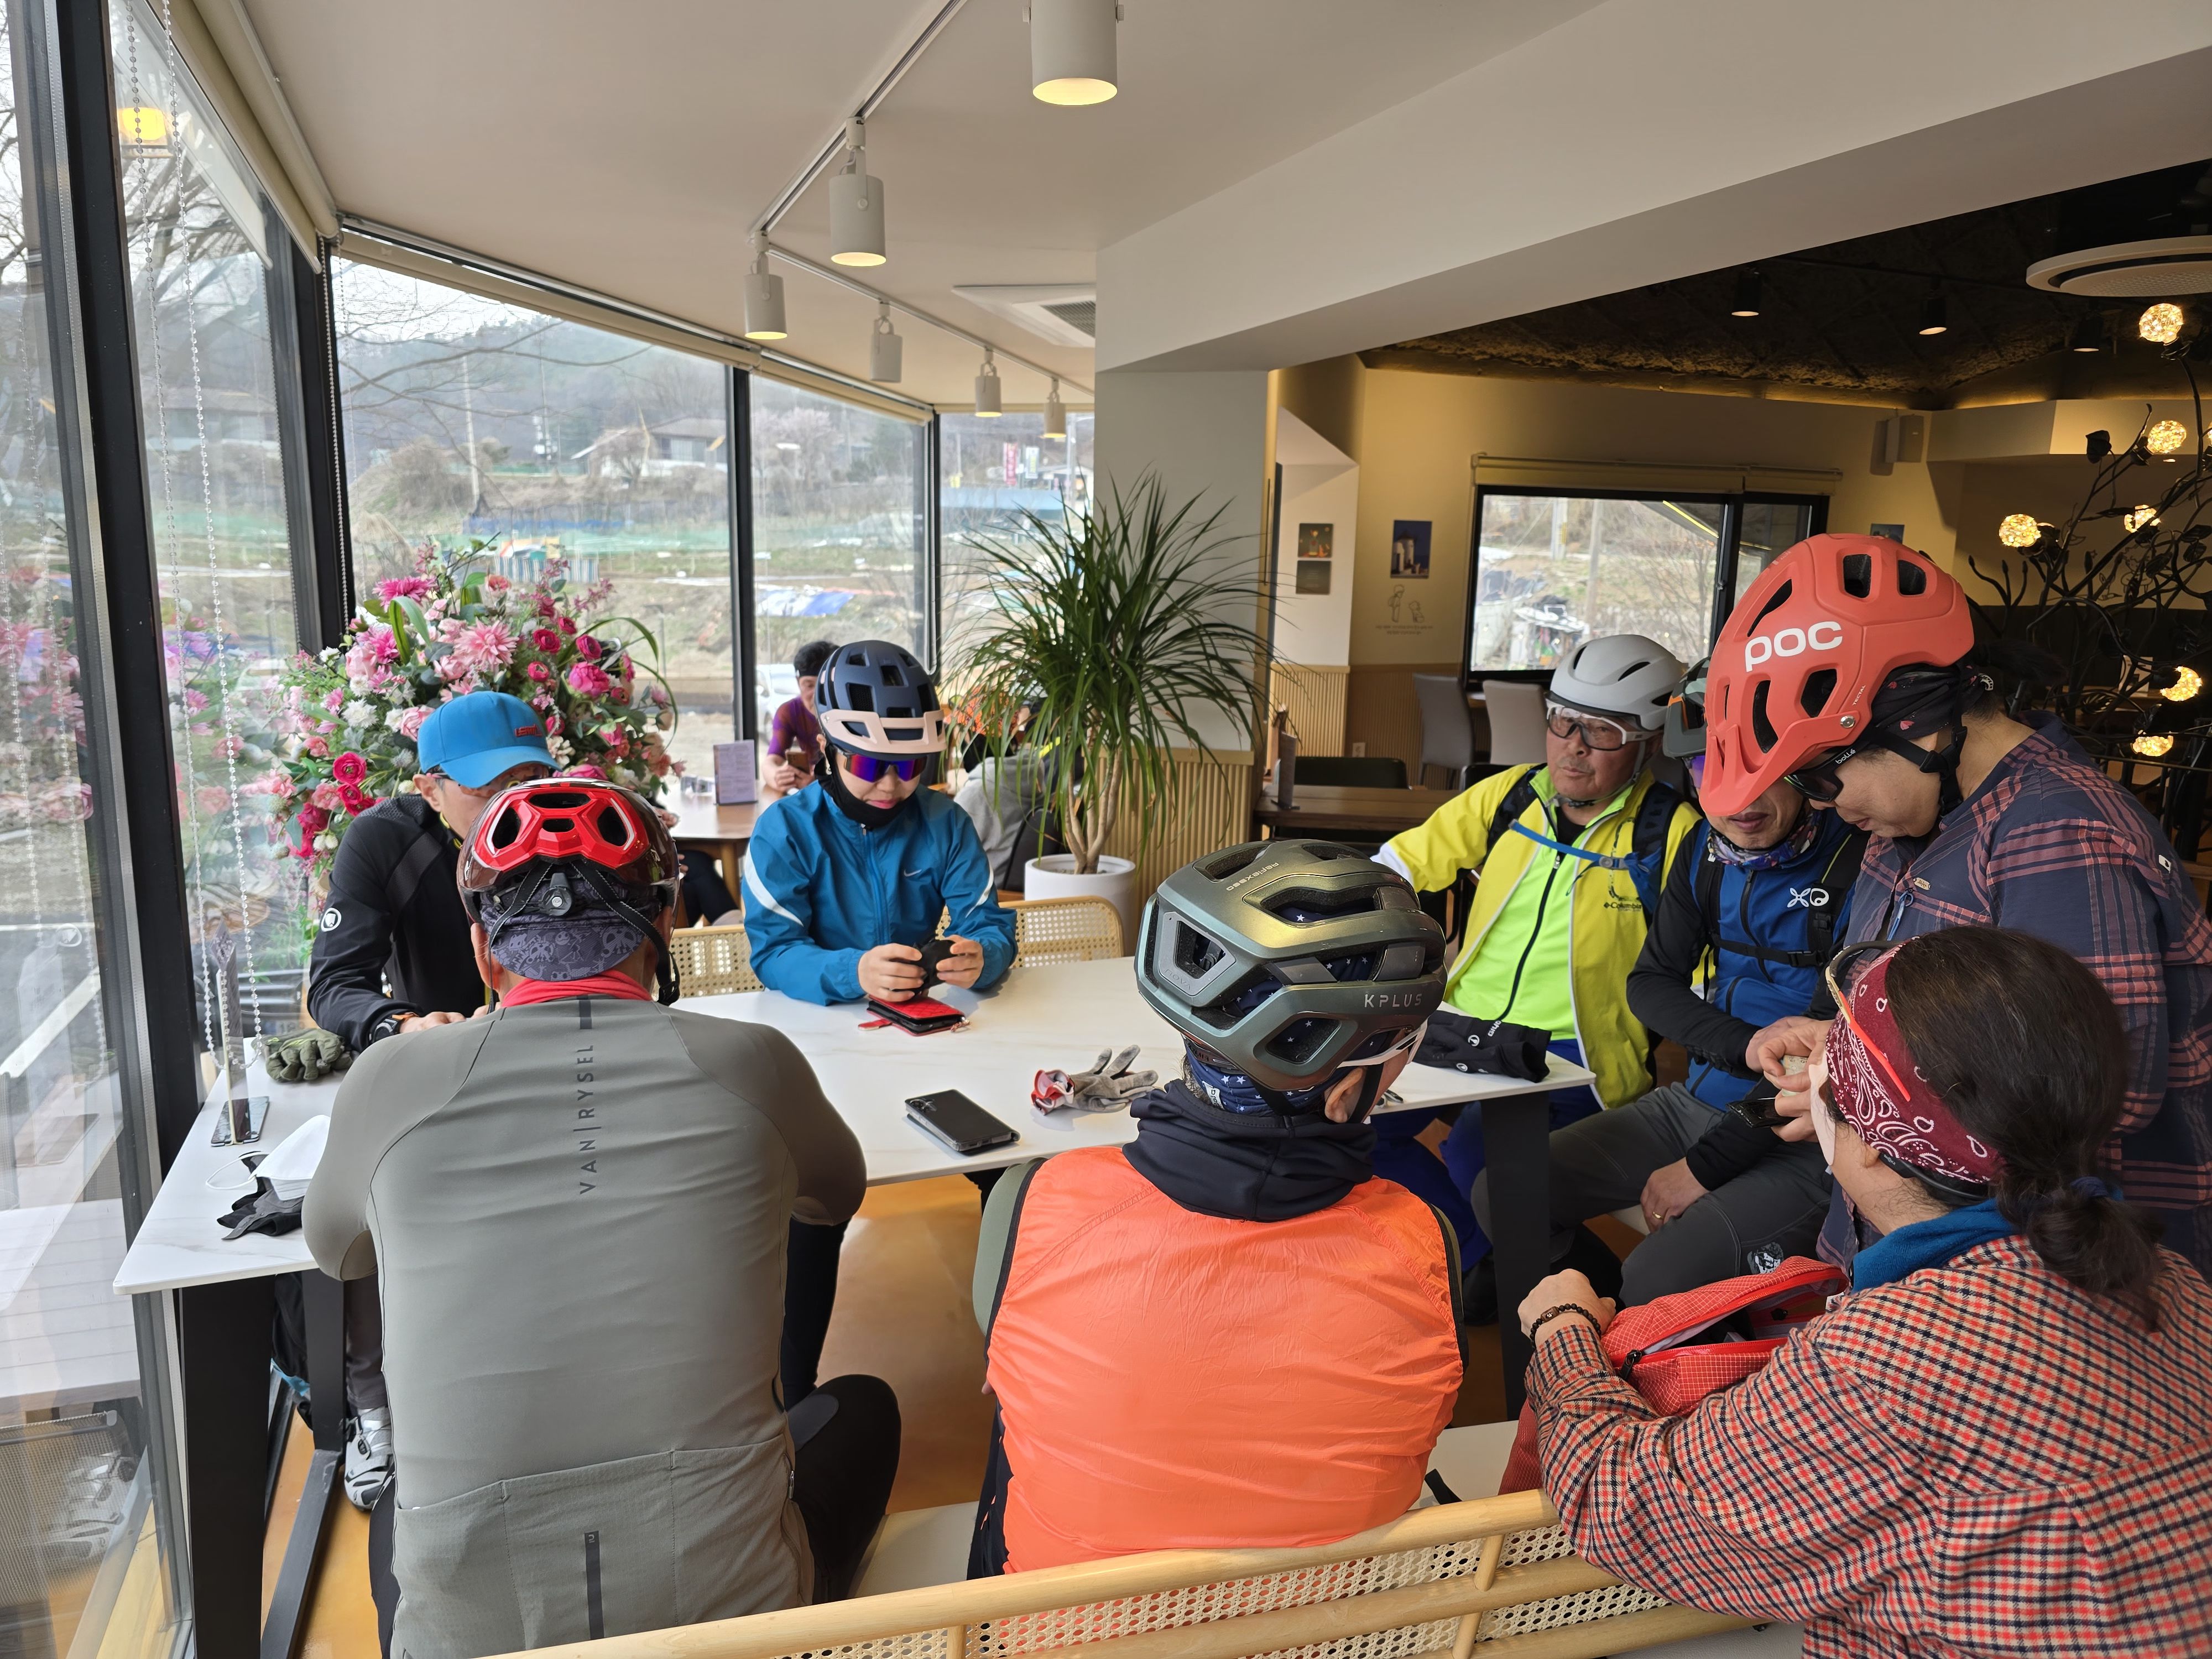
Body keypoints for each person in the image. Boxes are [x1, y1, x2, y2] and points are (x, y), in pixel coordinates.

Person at [305, 779, 898, 1658]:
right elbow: (834, 1196)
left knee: (399, 1502)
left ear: (483, 948)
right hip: (739, 1633)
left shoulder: (389, 1080)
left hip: (472, 1639)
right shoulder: (754, 1062)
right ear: (667, 929)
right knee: (866, 1406)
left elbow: (337, 1250)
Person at [1515, 926, 2211, 1658]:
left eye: (1832, 1066)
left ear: (1874, 1147)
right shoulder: (2175, 1283)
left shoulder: (1884, 1361)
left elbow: (1623, 1509)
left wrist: (1562, 1327)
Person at [1699, 533, 2212, 1276]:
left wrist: (1852, 1092)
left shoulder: (2060, 834)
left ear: (1913, 724)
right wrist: (1844, 1047)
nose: (1823, 806)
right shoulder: (1909, 822)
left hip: (2037, 1277)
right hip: (1913, 1252)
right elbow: (1941, 1028)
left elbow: (2091, 1097)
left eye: (1819, 777)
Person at [969, 841, 1463, 1574]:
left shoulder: (1037, 1202)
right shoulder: (1425, 1245)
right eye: (1405, 1049)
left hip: (1063, 1626)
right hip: (1333, 1621)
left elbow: (1007, 1361)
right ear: (1342, 1092)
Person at [1473, 662, 1864, 1303]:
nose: (1737, 800)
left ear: (1802, 769)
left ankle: (1642, 1323)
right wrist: (1744, 1046)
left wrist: (1702, 1168)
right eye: (1711, 772)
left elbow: (1822, 1053)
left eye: (1762, 772)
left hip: (1807, 1134)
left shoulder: (1859, 859)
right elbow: (1651, 983)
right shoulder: (1704, 850)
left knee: (1658, 1274)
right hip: (1699, 1101)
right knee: (1505, 1191)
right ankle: (1604, 1315)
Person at [742, 640, 1016, 1399]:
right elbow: (772, 953)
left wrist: (983, 956)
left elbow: (989, 922)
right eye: (871, 765)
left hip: (935, 1044)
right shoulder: (784, 831)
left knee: (1011, 1167)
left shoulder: (944, 822)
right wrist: (851, 971)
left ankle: (1025, 1359)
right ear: (827, 748)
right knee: (817, 1198)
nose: (893, 785)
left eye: (912, 766)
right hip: (825, 1054)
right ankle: (791, 1396)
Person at [302, 688, 555, 1509]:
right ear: (431, 786)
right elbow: (334, 984)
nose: (513, 801)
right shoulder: (385, 840)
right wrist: (402, 1025)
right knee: (364, 1207)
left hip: (547, 1053)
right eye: (489, 787)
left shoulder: (563, 819)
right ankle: (372, 1403)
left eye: (527, 778)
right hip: (433, 1063)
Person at [1373, 635, 1698, 1261]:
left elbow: (1704, 970)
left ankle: (1515, 1272)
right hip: (1462, 1023)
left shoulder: (1669, 835)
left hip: (1572, 1050)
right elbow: (1398, 864)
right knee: (1353, 1124)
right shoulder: (1513, 795)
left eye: (1602, 732)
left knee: (1477, 1156)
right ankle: (1483, 1260)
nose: (1574, 746)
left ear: (1648, 741)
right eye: (1563, 721)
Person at [761, 640, 836, 798]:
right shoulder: (790, 712)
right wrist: (778, 777)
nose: (817, 695)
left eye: (825, 686)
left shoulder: (852, 713)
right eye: (809, 686)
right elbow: (771, 761)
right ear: (798, 682)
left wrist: (821, 780)